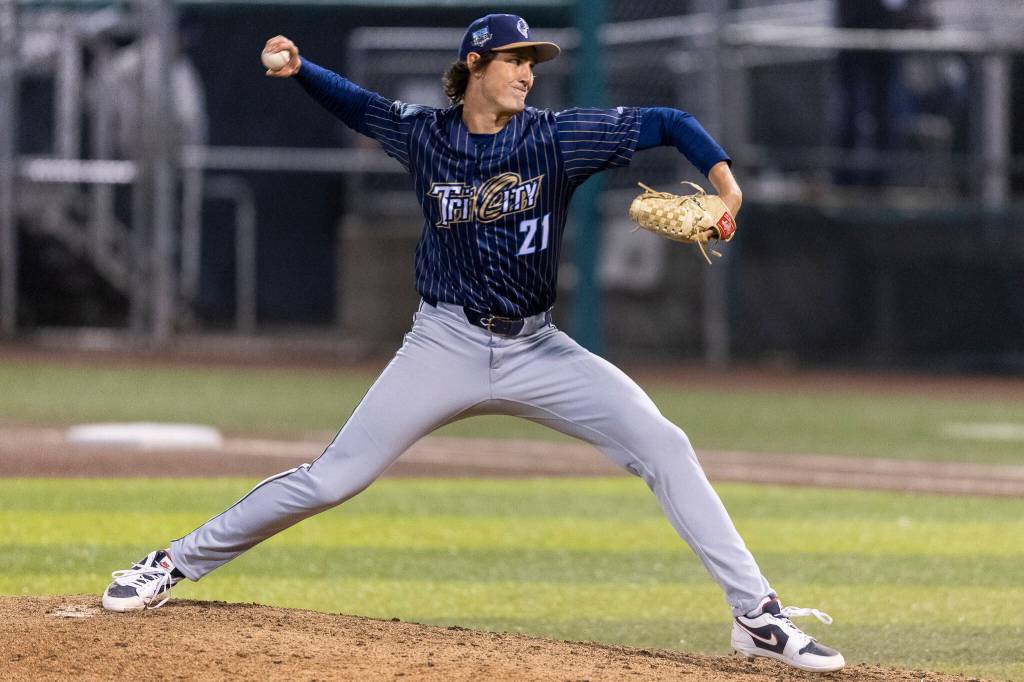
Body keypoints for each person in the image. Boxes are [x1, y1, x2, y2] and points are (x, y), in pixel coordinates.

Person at [102, 14, 844, 674]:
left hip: (540, 350)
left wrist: (724, 183)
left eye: (533, 61)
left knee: (665, 444)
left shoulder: (555, 136)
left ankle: (757, 618)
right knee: (334, 478)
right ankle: (170, 562)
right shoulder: (426, 135)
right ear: (475, 69)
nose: (528, 71)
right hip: (445, 343)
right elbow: (361, 107)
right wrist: (301, 71)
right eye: (515, 59)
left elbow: (669, 120)